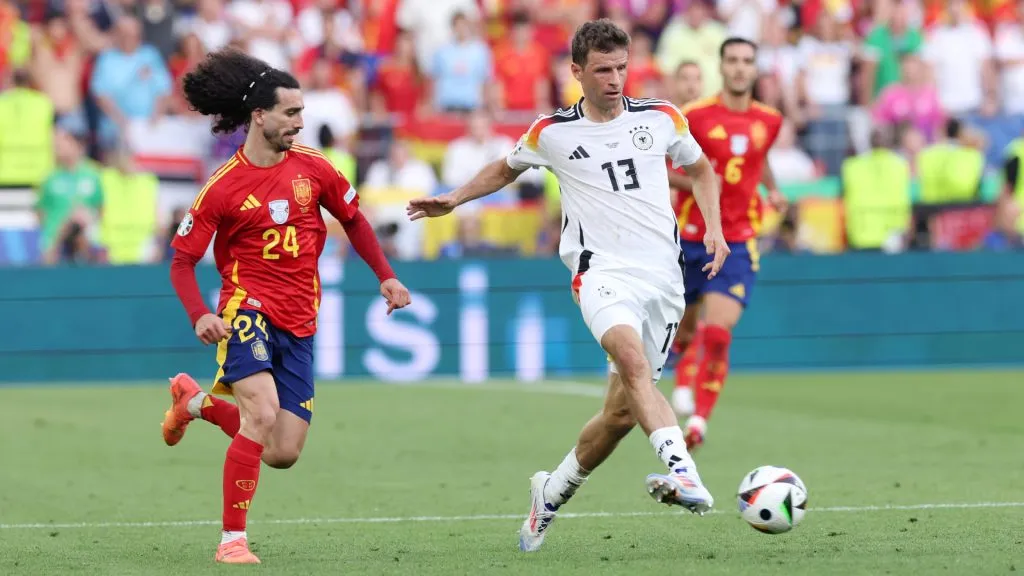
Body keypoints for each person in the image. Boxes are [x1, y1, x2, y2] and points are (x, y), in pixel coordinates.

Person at [406, 19, 728, 553]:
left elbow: (702, 171)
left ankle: (551, 493)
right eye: (602, 70)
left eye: (621, 68)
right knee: (632, 361)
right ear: (576, 72)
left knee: (620, 415)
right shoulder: (551, 132)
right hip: (601, 271)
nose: (615, 80)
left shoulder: (663, 117)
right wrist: (453, 199)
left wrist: (713, 227)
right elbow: (505, 169)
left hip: (664, 278)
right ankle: (684, 473)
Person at [160, 48, 411, 564]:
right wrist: (200, 314)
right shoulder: (222, 187)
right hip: (246, 311)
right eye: (290, 112)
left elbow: (355, 220)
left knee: (282, 452)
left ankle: (195, 403)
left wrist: (386, 275)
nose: (300, 121)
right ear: (260, 115)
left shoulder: (315, 169)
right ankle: (232, 541)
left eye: (302, 112)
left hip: (300, 320)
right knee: (261, 412)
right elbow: (182, 261)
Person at [664, 38, 786, 449]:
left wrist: (772, 189)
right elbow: (662, 168)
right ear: (721, 66)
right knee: (683, 332)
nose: (739, 67)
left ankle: (698, 422)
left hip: (737, 239)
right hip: (690, 238)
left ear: (755, 69)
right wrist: (699, 183)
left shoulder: (770, 120)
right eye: (732, 60)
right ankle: (670, 367)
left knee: (717, 333)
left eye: (747, 61)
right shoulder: (694, 116)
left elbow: (758, 156)